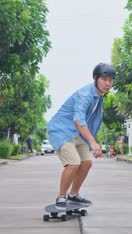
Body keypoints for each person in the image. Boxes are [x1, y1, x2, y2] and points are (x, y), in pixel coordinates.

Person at [46, 63, 115, 210]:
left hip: (78, 134)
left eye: (110, 80)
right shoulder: (85, 95)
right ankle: (61, 197)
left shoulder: (98, 97)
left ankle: (73, 195)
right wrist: (93, 142)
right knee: (73, 163)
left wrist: (91, 139)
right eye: (104, 79)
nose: (108, 83)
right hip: (61, 131)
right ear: (95, 79)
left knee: (86, 163)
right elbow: (78, 120)